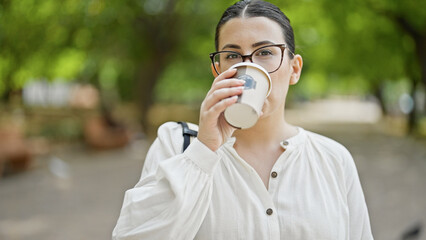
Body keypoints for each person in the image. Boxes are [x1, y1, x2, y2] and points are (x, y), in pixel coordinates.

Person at [112, 0, 374, 239]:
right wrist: (204, 150)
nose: (249, 68)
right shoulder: (177, 146)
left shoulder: (333, 160)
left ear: (294, 69)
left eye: (265, 53)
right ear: (218, 70)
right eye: (233, 56)